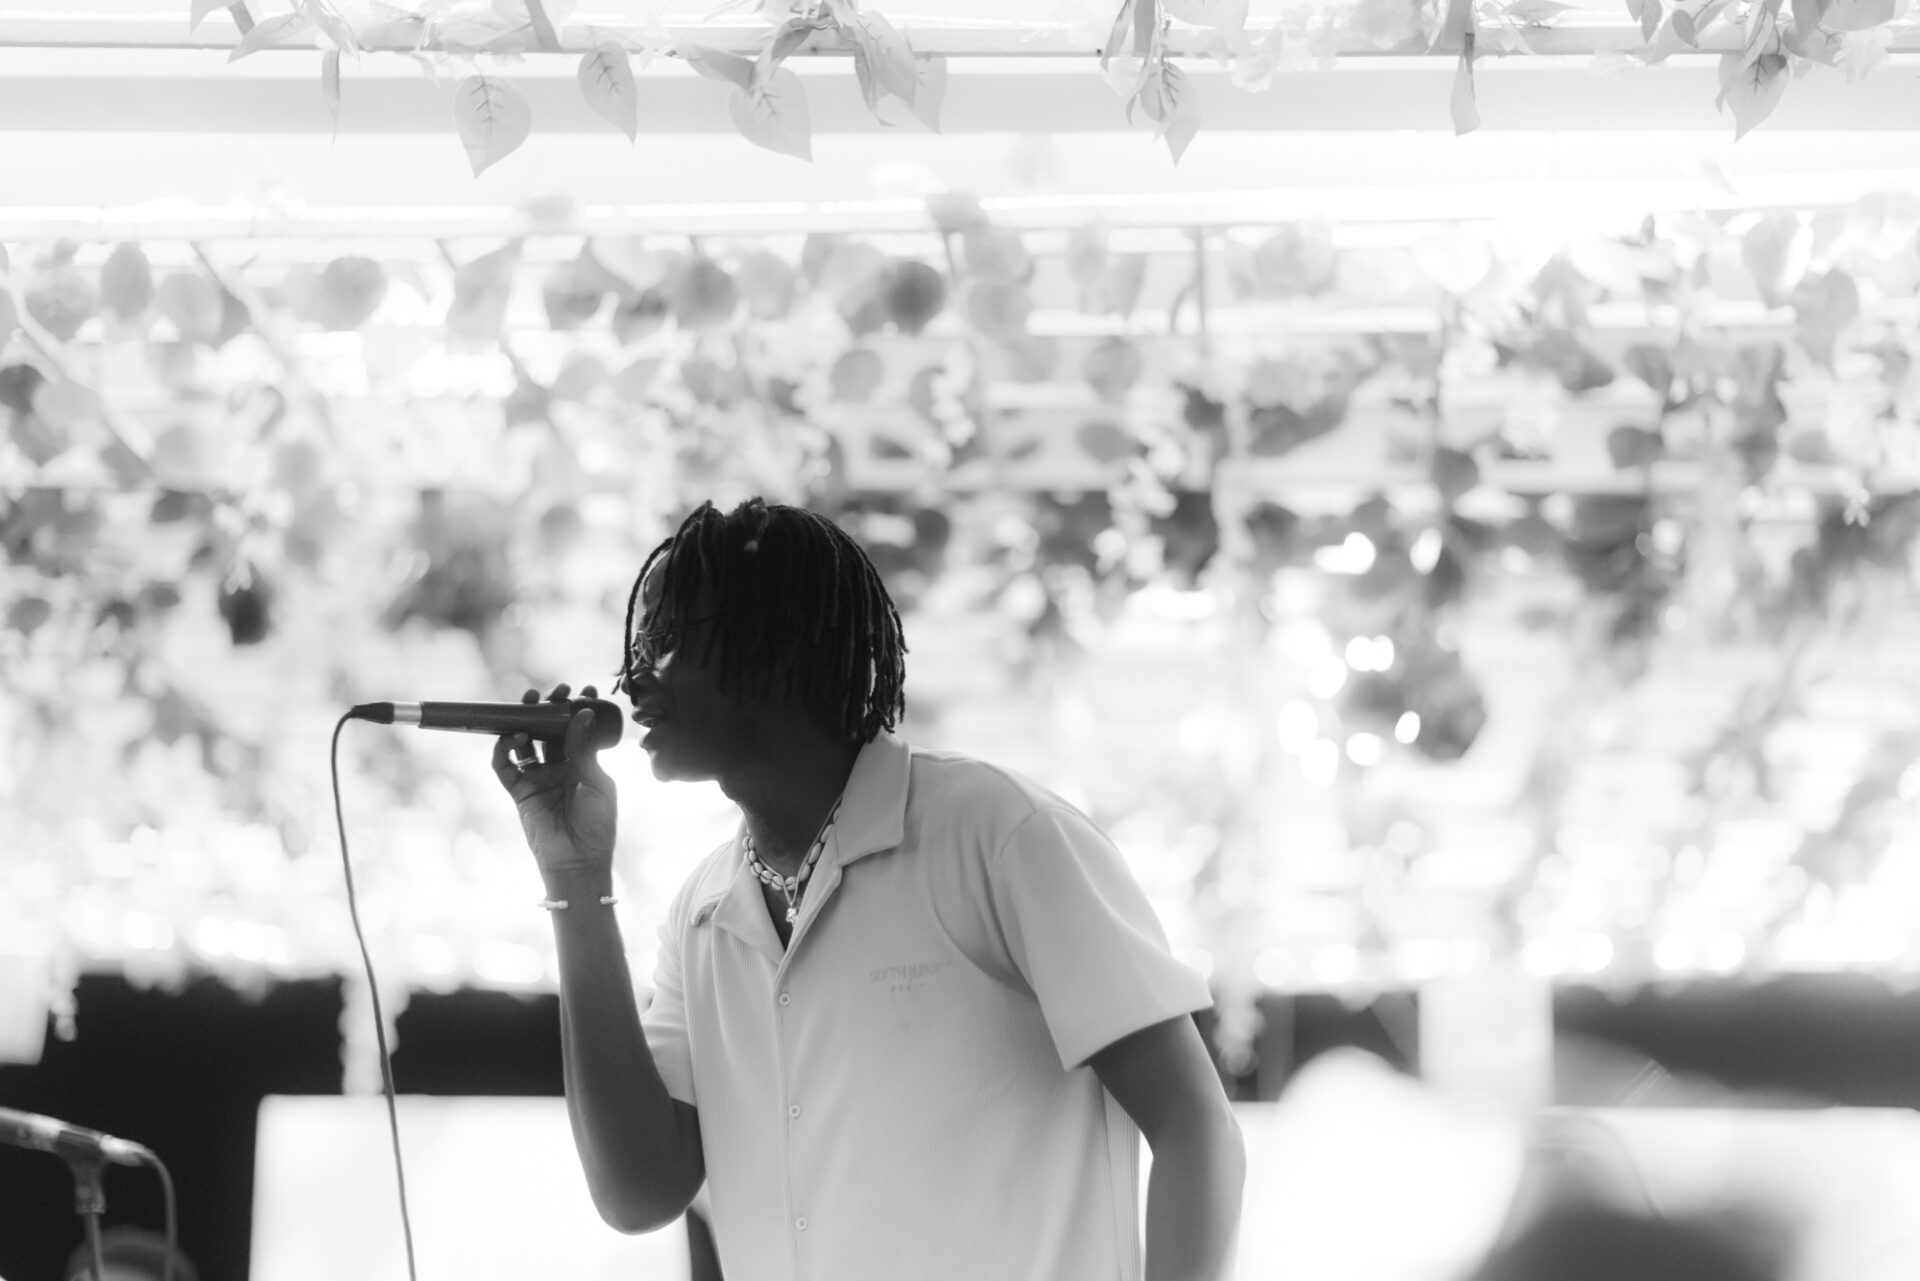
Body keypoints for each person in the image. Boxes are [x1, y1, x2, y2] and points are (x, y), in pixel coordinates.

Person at [493, 498, 1245, 1281]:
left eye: (668, 640)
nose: (634, 678)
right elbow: (638, 1192)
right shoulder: (702, 914)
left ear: (779, 642)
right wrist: (575, 878)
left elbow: (1196, 1125)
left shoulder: (1000, 836)